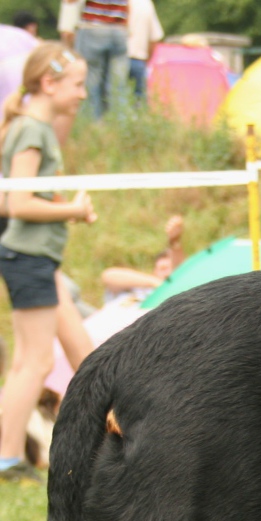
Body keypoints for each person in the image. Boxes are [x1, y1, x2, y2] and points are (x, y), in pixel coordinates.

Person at [0, 44, 95, 484]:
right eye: (77, 84)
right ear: (48, 83)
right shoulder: (32, 131)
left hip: (38, 259)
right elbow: (18, 202)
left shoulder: (32, 127)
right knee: (33, 363)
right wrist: (71, 211)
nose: (83, 93)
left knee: (82, 355)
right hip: (29, 258)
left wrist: (58, 205)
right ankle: (7, 458)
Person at [101, 214, 184, 302]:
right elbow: (108, 276)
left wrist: (174, 242)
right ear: (154, 271)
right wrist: (154, 282)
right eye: (163, 268)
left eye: (170, 268)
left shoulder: (174, 297)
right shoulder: (137, 287)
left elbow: (180, 272)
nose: (167, 273)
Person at [75, 0, 129, 118]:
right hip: (119, 29)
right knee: (117, 84)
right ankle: (120, 127)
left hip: (93, 27)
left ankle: (92, 126)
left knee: (91, 81)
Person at [127, 0, 164, 101]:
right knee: (139, 99)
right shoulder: (145, 3)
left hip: (117, 58)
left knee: (114, 98)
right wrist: (147, 59)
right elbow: (155, 37)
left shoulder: (118, 3)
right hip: (139, 58)